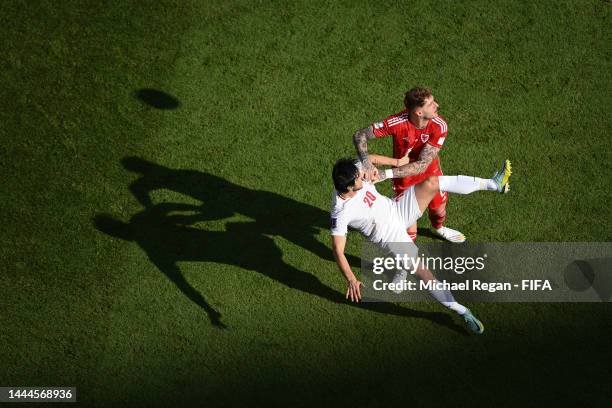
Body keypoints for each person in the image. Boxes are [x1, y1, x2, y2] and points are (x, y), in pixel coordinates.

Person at [330, 158, 512, 334]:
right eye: (358, 177)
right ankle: (462, 311)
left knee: (431, 182)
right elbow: (338, 251)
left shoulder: (351, 173)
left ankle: (494, 184)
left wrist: (396, 163)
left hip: (397, 209)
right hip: (391, 237)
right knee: (425, 274)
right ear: (349, 188)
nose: (361, 175)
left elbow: (367, 159)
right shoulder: (341, 212)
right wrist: (352, 280)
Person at [353, 86, 469, 243]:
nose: (437, 105)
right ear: (419, 112)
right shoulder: (396, 122)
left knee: (438, 209)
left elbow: (421, 164)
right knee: (408, 223)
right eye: (431, 104)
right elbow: (360, 135)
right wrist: (366, 164)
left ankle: (439, 227)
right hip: (404, 178)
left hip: (430, 172)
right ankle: (406, 261)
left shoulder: (439, 125)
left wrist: (384, 174)